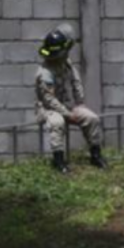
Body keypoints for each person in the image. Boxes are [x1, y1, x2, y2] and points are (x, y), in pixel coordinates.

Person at [34, 23, 106, 173]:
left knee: (92, 118)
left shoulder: (65, 63)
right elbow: (49, 100)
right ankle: (59, 161)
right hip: (48, 109)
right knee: (57, 122)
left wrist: (80, 103)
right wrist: (68, 114)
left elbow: (75, 81)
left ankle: (95, 155)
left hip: (68, 104)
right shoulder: (45, 72)